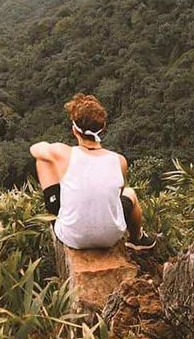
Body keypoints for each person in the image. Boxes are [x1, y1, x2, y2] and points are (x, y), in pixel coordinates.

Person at [29, 93, 155, 251]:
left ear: (75, 130)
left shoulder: (62, 153)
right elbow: (118, 195)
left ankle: (57, 212)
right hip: (111, 236)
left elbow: (34, 149)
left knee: (42, 160)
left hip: (73, 236)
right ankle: (137, 238)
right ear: (102, 129)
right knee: (130, 193)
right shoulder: (119, 160)